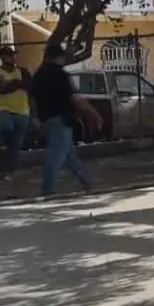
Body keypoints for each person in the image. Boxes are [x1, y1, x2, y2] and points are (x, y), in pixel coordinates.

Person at [30, 43, 103, 197]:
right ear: (59, 57)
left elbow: (32, 99)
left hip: (46, 119)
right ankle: (48, 188)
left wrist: (36, 117)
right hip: (61, 118)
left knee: (70, 156)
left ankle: (88, 183)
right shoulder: (59, 74)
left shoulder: (38, 74)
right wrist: (93, 114)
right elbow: (75, 98)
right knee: (56, 155)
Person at [0, 45, 32, 180]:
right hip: (4, 109)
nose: (12, 58)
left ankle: (8, 171)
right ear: (2, 57)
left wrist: (11, 84)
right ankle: (1, 143)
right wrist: (16, 84)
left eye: (13, 55)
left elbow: (30, 85)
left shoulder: (22, 71)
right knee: (6, 127)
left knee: (15, 145)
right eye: (8, 55)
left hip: (22, 110)